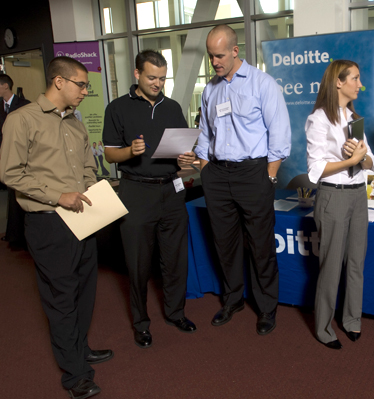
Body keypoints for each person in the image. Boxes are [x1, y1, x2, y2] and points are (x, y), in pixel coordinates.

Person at [0, 57, 113, 399]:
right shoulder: (23, 120)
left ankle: (79, 348)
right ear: (59, 82)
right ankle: (75, 375)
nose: (85, 91)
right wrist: (57, 196)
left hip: (84, 218)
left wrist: (93, 189)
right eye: (81, 84)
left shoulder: (76, 123)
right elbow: (10, 173)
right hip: (48, 222)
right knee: (61, 297)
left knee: (84, 291)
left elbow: (86, 167)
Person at [195, 25, 291, 335]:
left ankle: (266, 308)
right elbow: (206, 134)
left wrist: (269, 176)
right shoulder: (210, 90)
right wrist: (203, 165)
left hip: (254, 172)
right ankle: (232, 299)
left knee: (260, 244)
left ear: (236, 51)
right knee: (225, 243)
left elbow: (279, 135)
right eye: (211, 56)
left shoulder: (263, 85)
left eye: (220, 55)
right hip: (217, 174)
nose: (215, 62)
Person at [103, 50, 197, 349]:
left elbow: (183, 148)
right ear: (137, 74)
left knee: (175, 259)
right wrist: (129, 151)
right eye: (152, 77)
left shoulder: (172, 106)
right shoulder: (117, 108)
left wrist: (187, 157)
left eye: (162, 78)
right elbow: (109, 152)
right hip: (136, 191)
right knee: (138, 263)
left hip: (172, 188)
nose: (158, 83)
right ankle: (141, 323)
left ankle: (175, 312)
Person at [305, 60, 374, 349]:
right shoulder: (319, 119)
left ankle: (352, 320)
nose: (360, 84)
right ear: (339, 81)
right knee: (331, 266)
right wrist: (349, 161)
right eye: (356, 78)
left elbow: (373, 163)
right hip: (333, 196)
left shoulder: (354, 118)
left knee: (356, 264)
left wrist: (360, 158)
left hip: (358, 196)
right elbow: (315, 169)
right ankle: (323, 328)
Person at [0, 74, 30, 247]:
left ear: (5, 86)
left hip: (21, 155)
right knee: (11, 196)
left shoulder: (24, 105)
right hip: (5, 154)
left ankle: (21, 236)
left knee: (19, 195)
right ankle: (14, 235)